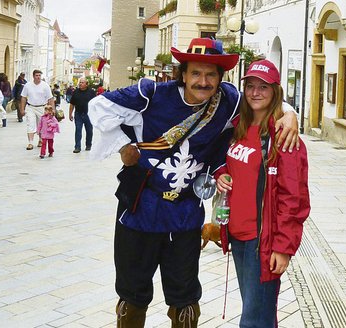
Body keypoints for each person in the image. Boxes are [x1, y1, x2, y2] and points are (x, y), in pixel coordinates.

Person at [87, 37, 299, 328]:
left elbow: (265, 98)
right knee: (132, 291)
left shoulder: (228, 100)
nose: (203, 81)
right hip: (140, 208)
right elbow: (98, 105)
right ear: (183, 73)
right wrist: (124, 145)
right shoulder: (151, 94)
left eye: (211, 74)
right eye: (196, 73)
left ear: (220, 78)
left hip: (184, 214)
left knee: (185, 295)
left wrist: (290, 114)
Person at [214, 59, 310, 327]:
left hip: (263, 242)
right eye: (251, 86)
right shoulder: (237, 128)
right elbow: (224, 163)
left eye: (263, 87)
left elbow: (295, 199)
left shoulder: (284, 137)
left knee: (254, 320)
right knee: (257, 312)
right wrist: (220, 173)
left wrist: (283, 246)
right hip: (238, 236)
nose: (256, 92)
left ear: (275, 91)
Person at [19, 69, 54, 150]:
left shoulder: (45, 85)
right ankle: (30, 143)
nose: (38, 77)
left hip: (42, 107)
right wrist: (22, 109)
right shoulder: (27, 85)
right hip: (31, 107)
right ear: (33, 76)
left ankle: (40, 140)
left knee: (41, 125)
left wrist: (52, 110)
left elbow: (50, 98)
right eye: (36, 75)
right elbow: (23, 98)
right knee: (30, 124)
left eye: (39, 75)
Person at [69, 77, 95, 153]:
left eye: (82, 82)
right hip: (78, 114)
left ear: (86, 84)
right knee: (78, 130)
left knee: (89, 131)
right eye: (80, 82)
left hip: (88, 115)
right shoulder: (76, 92)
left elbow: (95, 103)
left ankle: (88, 145)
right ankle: (77, 147)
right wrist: (70, 114)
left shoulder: (91, 92)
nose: (80, 84)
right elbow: (72, 104)